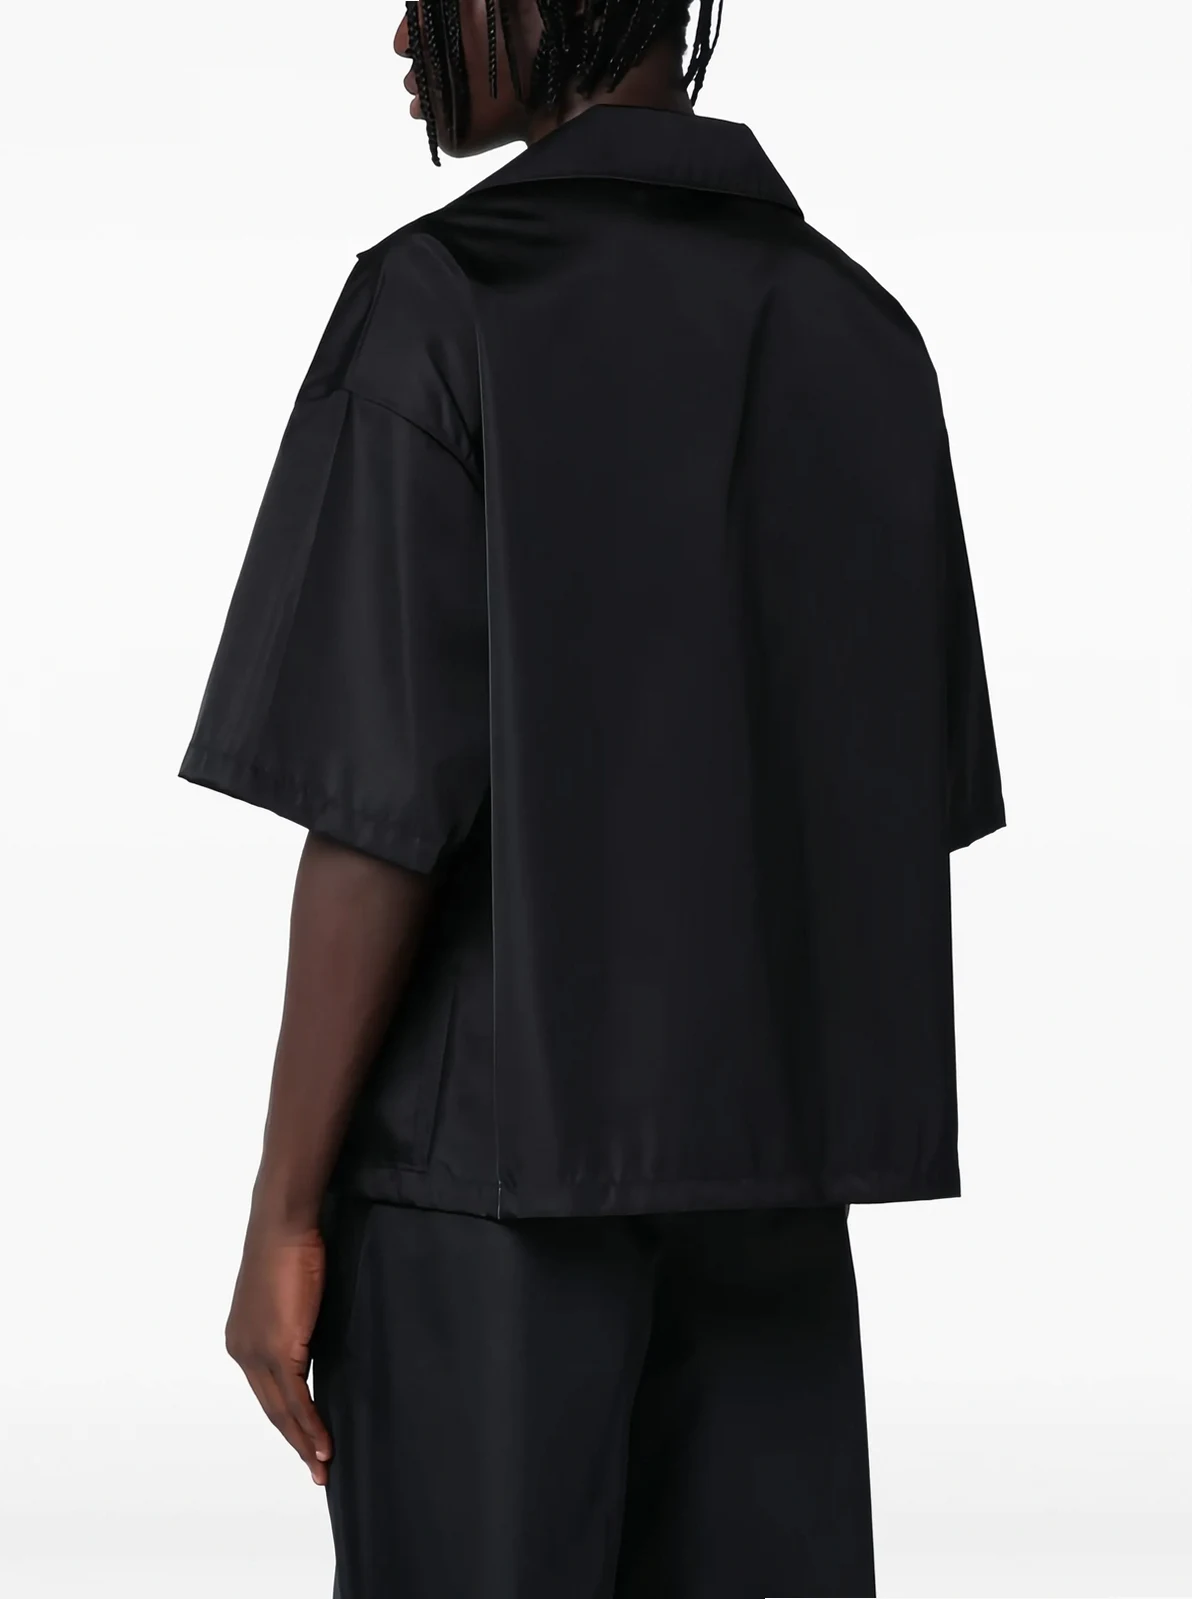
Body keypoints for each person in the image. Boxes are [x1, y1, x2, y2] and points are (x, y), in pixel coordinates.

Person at [179, 2, 1005, 1594]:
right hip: (770, 1201)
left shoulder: (440, 306)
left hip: (478, 1188)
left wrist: (283, 1211)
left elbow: (374, 821)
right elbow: (905, 811)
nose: (404, 31)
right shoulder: (864, 336)